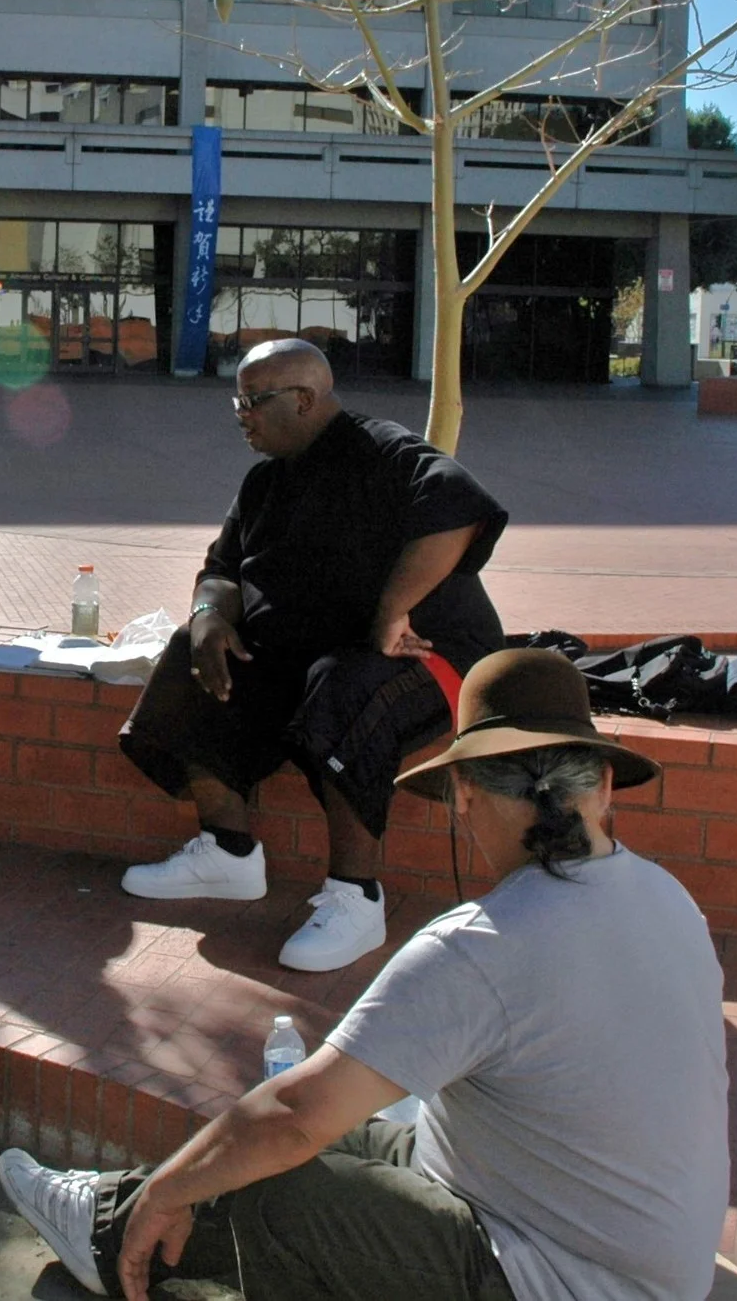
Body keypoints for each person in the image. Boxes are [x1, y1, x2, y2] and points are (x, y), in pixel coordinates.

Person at [0, 648, 730, 1301]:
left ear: (465, 792)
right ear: (602, 784)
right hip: (644, 1262)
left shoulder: (483, 947)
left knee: (279, 1185)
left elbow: (291, 1120)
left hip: (545, 1273)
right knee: (322, 1134)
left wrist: (168, 1191)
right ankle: (114, 1215)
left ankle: (118, 1230)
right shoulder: (672, 900)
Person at [114, 337, 509, 972]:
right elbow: (221, 569)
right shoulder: (265, 481)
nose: (241, 414)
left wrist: (391, 609)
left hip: (426, 658)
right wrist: (211, 614)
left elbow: (461, 510)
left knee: (343, 684)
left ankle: (357, 898)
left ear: (304, 399)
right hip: (310, 653)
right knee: (195, 650)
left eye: (252, 400)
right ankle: (228, 852)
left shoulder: (383, 452)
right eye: (235, 400)